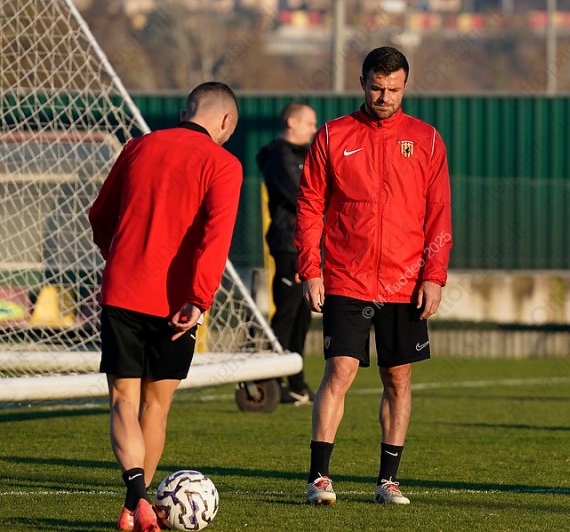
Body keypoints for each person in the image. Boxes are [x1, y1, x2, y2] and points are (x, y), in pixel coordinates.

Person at [295, 46, 452, 506]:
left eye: (394, 89)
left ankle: (388, 481)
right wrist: (310, 269)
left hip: (406, 282)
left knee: (397, 379)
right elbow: (310, 207)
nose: (385, 97)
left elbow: (439, 214)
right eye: (377, 88)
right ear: (362, 83)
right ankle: (319, 478)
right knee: (340, 370)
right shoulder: (332, 135)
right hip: (347, 277)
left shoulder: (426, 140)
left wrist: (434, 276)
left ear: (406, 86)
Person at [89, 82, 241, 532]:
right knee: (156, 408)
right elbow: (217, 239)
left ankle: (137, 500)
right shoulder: (224, 164)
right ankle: (135, 504)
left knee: (123, 399)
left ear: (184, 112)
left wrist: (118, 258)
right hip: (177, 304)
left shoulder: (137, 147)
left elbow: (99, 215)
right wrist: (199, 298)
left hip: (122, 291)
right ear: (226, 121)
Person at [256, 102, 318, 405]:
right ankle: (266, 379)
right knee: (287, 314)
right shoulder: (279, 157)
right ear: (292, 122)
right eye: (309, 123)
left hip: (307, 246)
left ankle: (295, 382)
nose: (314, 130)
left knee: (302, 317)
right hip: (288, 246)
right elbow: (302, 198)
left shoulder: (305, 156)